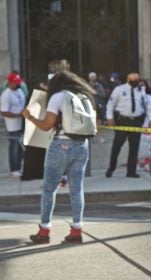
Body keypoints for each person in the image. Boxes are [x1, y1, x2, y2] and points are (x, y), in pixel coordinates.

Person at [22, 70, 96, 244]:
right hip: (82, 145)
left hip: (61, 145)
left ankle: (44, 231)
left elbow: (47, 125)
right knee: (76, 189)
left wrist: (30, 117)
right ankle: (77, 230)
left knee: (49, 189)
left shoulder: (58, 97)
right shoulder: (84, 96)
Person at [105, 73, 151, 178]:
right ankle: (111, 168)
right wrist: (109, 117)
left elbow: (147, 106)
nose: (136, 82)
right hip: (122, 121)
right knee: (117, 146)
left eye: (137, 80)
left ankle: (131, 171)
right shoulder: (119, 89)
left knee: (134, 148)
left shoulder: (141, 91)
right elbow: (110, 104)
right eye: (134, 80)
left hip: (136, 121)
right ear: (128, 79)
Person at [0, 73, 26, 177]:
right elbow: (4, 111)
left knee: (20, 146)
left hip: (21, 123)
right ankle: (13, 169)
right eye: (15, 83)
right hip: (12, 125)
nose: (17, 84)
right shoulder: (6, 94)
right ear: (10, 83)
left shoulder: (19, 91)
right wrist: (18, 115)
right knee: (13, 146)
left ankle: (19, 167)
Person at [88, 72, 107, 143]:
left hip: (97, 106)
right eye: (91, 77)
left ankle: (100, 137)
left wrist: (96, 93)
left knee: (99, 122)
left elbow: (103, 95)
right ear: (89, 78)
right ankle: (90, 137)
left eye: (94, 77)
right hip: (88, 106)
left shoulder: (99, 85)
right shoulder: (86, 85)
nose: (93, 78)